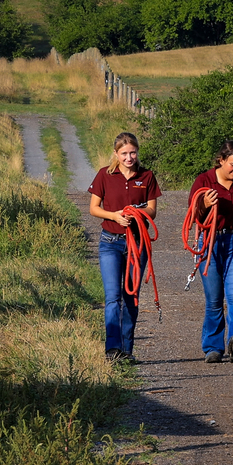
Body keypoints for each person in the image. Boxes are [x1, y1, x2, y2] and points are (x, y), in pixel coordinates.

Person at [88, 132, 161, 364]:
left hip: (136, 244)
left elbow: (152, 209)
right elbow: (94, 208)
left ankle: (127, 350)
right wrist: (115, 216)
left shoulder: (147, 176)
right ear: (116, 154)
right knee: (112, 298)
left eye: (132, 153)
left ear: (137, 152)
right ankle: (112, 349)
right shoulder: (104, 175)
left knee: (131, 297)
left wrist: (136, 213)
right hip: (110, 242)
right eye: (124, 153)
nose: (129, 157)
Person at [189, 141, 233, 363]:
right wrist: (204, 205)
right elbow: (193, 215)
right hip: (209, 239)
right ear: (221, 160)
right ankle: (213, 347)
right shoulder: (204, 181)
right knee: (214, 299)